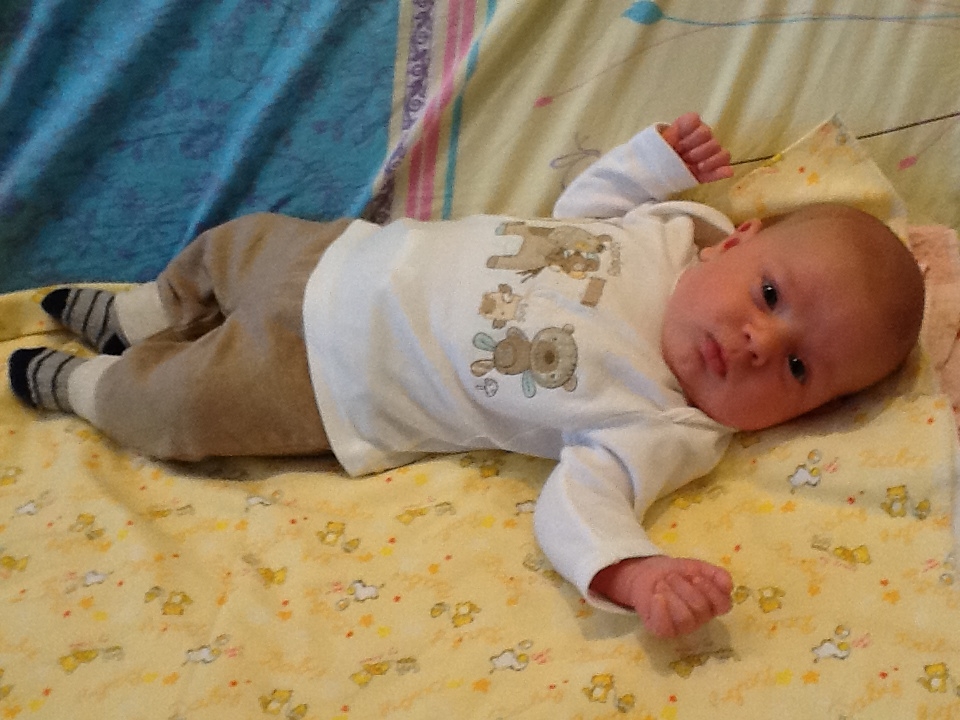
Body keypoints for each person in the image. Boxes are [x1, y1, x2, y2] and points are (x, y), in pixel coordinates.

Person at [7, 114, 925, 638]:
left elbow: (577, 505)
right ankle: (137, 316)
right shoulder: (667, 234)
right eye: (770, 294)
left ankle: (83, 388)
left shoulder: (663, 425)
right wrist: (657, 159)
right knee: (226, 247)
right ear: (740, 240)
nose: (759, 341)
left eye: (798, 367)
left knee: (176, 409)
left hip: (324, 380)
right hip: (338, 254)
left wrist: (634, 573)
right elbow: (582, 205)